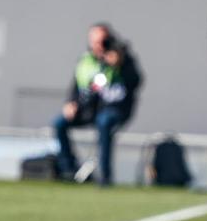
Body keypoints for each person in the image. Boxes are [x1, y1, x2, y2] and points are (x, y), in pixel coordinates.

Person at [53, 23, 142, 186]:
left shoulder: (123, 58)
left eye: (102, 41)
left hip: (114, 109)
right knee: (59, 123)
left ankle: (105, 176)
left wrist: (119, 63)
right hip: (88, 109)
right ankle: (69, 170)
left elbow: (136, 81)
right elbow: (77, 85)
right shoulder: (86, 60)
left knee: (104, 122)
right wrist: (70, 103)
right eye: (94, 41)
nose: (98, 45)